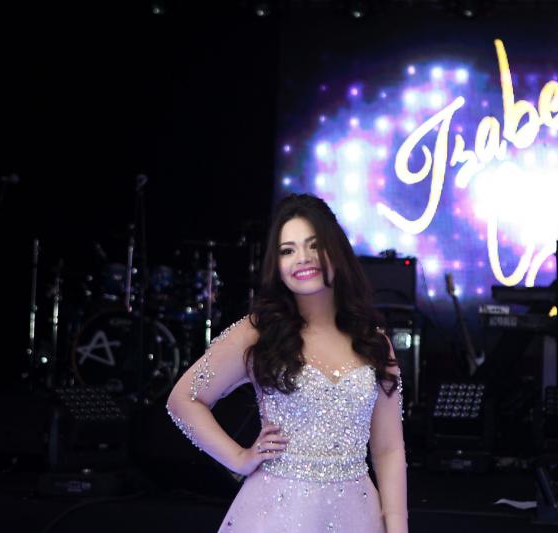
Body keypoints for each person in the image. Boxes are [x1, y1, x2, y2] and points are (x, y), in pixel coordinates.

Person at [166, 193, 408, 533]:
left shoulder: (374, 342)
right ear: (276, 264)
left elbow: (389, 449)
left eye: (314, 245)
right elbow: (183, 400)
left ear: (336, 250)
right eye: (287, 250)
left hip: (356, 515)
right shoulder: (258, 333)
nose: (302, 259)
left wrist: (397, 526)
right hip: (275, 514)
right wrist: (238, 459)